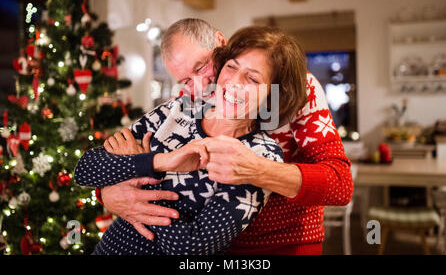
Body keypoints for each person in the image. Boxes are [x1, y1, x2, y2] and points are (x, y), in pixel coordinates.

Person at [96, 18, 353, 255]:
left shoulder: (297, 88)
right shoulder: (192, 99)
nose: (199, 84)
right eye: (186, 79)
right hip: (215, 245)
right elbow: (131, 154)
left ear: (220, 42)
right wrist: (108, 194)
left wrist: (258, 170)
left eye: (201, 66)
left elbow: (340, 184)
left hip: (283, 243)